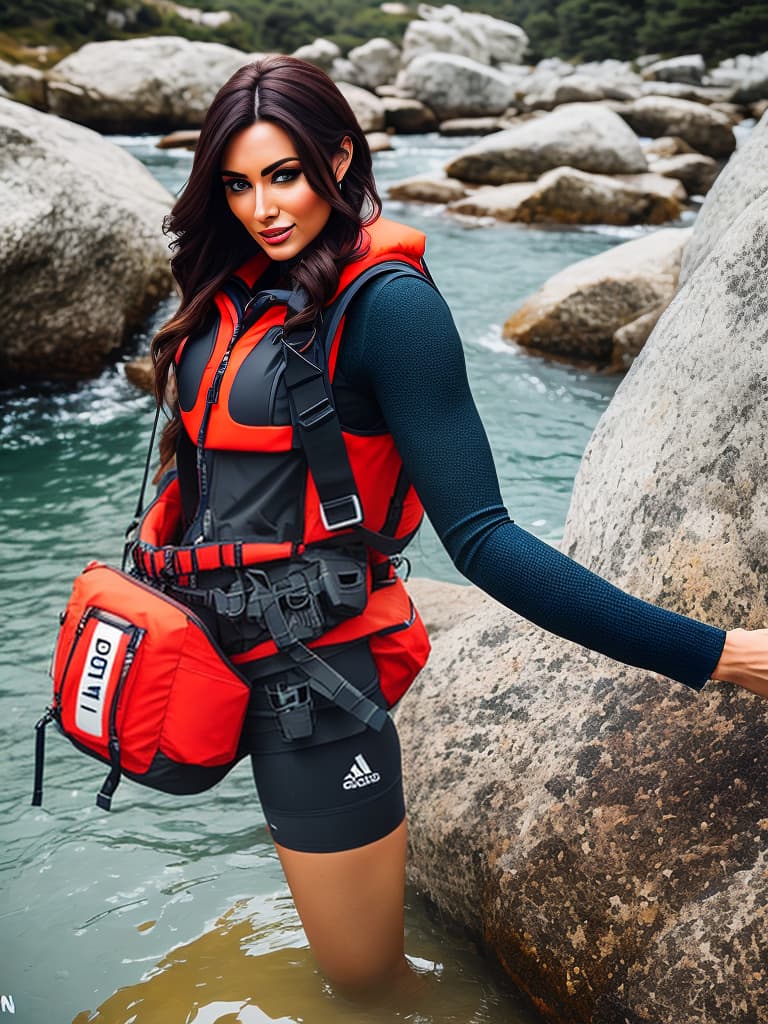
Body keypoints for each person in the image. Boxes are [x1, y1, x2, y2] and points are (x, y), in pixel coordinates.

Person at [146, 55, 768, 1003]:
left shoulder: (391, 309)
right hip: (211, 653)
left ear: (341, 156)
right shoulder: (231, 292)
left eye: (284, 176)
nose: (262, 208)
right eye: (236, 184)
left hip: (317, 684)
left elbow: (482, 539)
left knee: (362, 982)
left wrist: (723, 655)